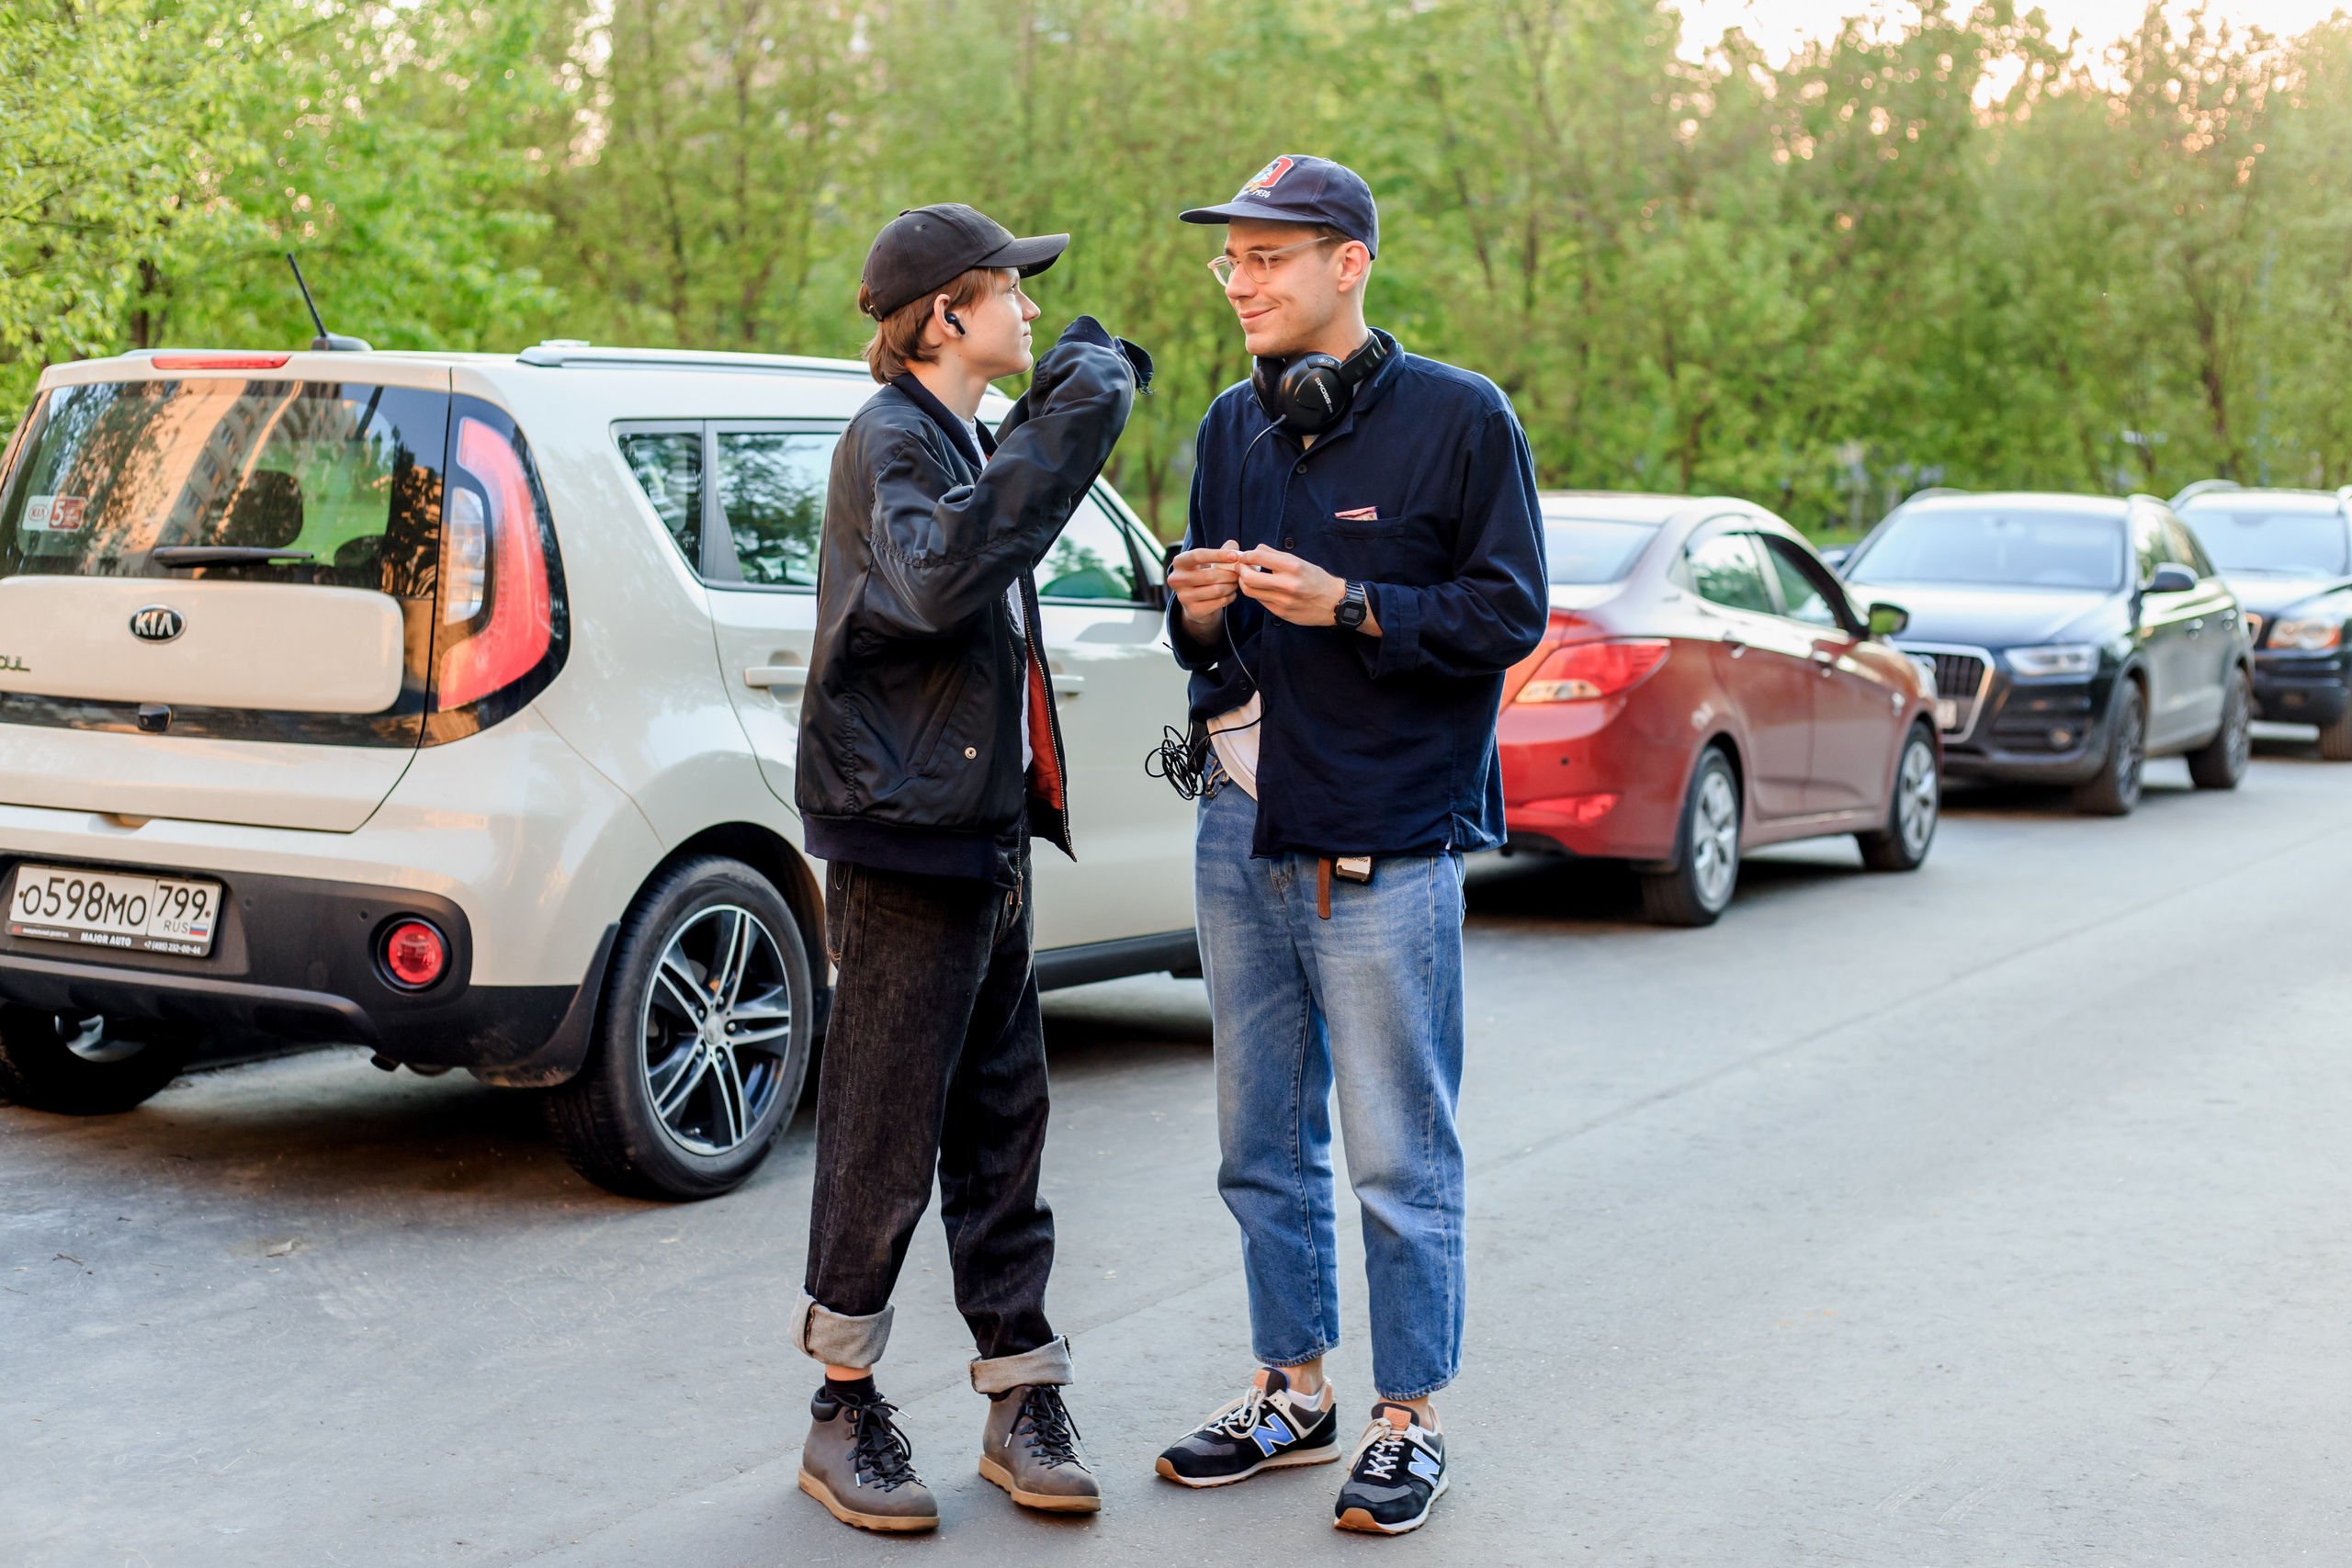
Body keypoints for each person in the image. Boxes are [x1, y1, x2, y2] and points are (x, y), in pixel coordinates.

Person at [1151, 155, 1547, 1536]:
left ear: (1350, 265)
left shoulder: (1461, 420)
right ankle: (1293, 1393)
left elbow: (1507, 616)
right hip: (1240, 820)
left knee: (1394, 1151)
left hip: (1385, 834)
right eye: (1232, 262)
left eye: (1269, 258)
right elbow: (1208, 637)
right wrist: (1200, 615)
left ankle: (1407, 1419)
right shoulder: (1227, 428)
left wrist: (1355, 607)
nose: (1243, 283)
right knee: (1257, 1141)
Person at [790, 202, 1143, 1534]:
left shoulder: (952, 437)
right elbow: (939, 584)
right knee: (885, 1132)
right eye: (1012, 292)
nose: (1033, 313)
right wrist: (1073, 422)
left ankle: (1020, 1394)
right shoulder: (889, 442)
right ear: (946, 315)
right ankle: (842, 1409)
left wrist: (1044, 432)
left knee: (1004, 1127)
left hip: (985, 837)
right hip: (906, 846)